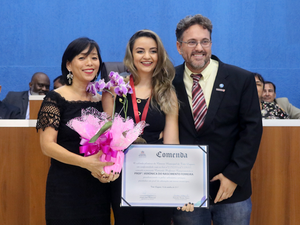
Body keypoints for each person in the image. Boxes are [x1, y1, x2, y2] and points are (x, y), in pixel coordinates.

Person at [172, 14, 262, 225]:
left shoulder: (241, 79)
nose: (199, 48)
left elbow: (252, 131)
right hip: (186, 192)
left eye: (205, 41)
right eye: (192, 42)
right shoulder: (167, 80)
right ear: (179, 46)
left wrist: (233, 176)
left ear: (211, 43)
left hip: (231, 190)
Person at [36, 37, 119, 225]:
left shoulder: (103, 99)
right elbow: (47, 146)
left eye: (94, 57)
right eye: (82, 58)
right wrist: (85, 163)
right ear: (69, 64)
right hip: (66, 189)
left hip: (97, 190)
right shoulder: (55, 98)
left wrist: (109, 168)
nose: (90, 63)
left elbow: (110, 142)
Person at [103, 29, 180, 225]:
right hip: (123, 176)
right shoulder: (114, 89)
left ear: (159, 55)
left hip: (158, 175)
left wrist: (179, 185)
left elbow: (172, 142)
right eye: (140, 51)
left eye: (153, 51)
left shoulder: (167, 92)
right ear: (131, 55)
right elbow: (106, 137)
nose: (147, 56)